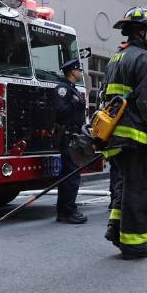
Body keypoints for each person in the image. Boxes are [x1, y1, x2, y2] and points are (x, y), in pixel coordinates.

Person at [102, 6, 147, 259]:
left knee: (124, 185)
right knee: (139, 189)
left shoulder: (115, 58)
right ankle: (134, 244)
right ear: (142, 32)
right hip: (134, 137)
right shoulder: (142, 58)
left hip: (114, 137)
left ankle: (116, 231)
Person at [53, 58, 88, 224]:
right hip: (67, 136)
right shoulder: (63, 89)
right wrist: (74, 103)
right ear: (72, 71)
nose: (81, 73)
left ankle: (66, 210)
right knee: (71, 175)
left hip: (74, 136)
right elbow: (60, 112)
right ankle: (67, 211)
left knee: (71, 174)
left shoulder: (72, 89)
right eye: (79, 70)